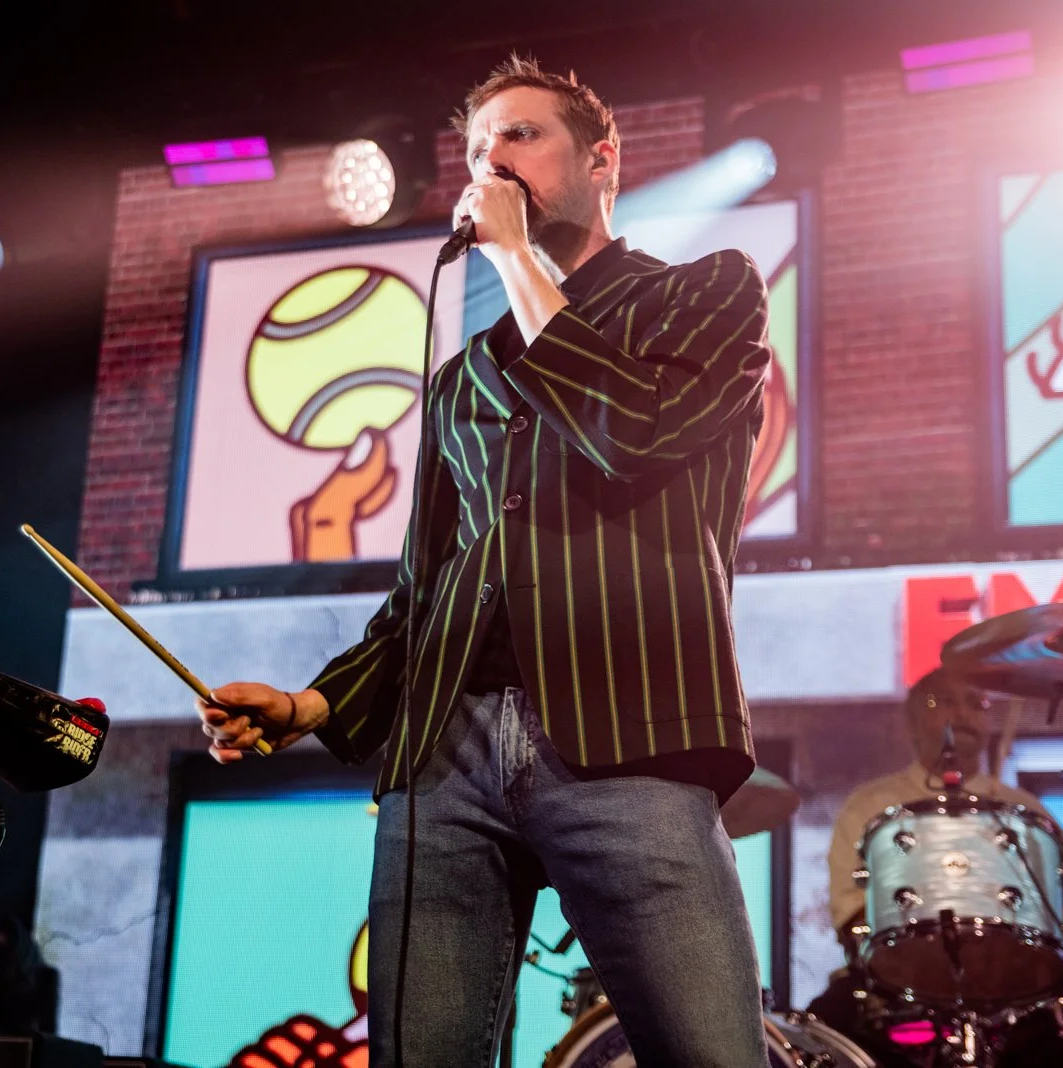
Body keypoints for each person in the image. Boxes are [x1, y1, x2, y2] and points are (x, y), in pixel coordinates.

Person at [197, 54, 773, 1068]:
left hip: (628, 736)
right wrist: (310, 706)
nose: (489, 164)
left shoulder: (703, 296)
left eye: (518, 136)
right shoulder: (464, 379)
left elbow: (629, 433)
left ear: (603, 161)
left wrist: (515, 260)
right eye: (473, 150)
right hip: (443, 755)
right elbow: (425, 590)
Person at [807, 667, 1063, 1067]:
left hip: (1016, 996)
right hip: (899, 998)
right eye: (942, 701)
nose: (961, 715)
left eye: (975, 704)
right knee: (827, 1025)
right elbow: (850, 915)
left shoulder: (1025, 810)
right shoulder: (869, 805)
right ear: (911, 722)